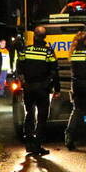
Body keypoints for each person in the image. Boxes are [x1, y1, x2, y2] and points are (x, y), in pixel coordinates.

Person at [16, 25, 59, 156]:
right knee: (41, 117)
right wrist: (57, 88)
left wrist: (23, 80)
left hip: (28, 87)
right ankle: (37, 145)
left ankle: (29, 144)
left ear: (34, 36)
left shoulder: (26, 50)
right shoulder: (48, 52)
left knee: (29, 114)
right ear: (45, 37)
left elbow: (19, 66)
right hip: (43, 88)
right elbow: (54, 72)